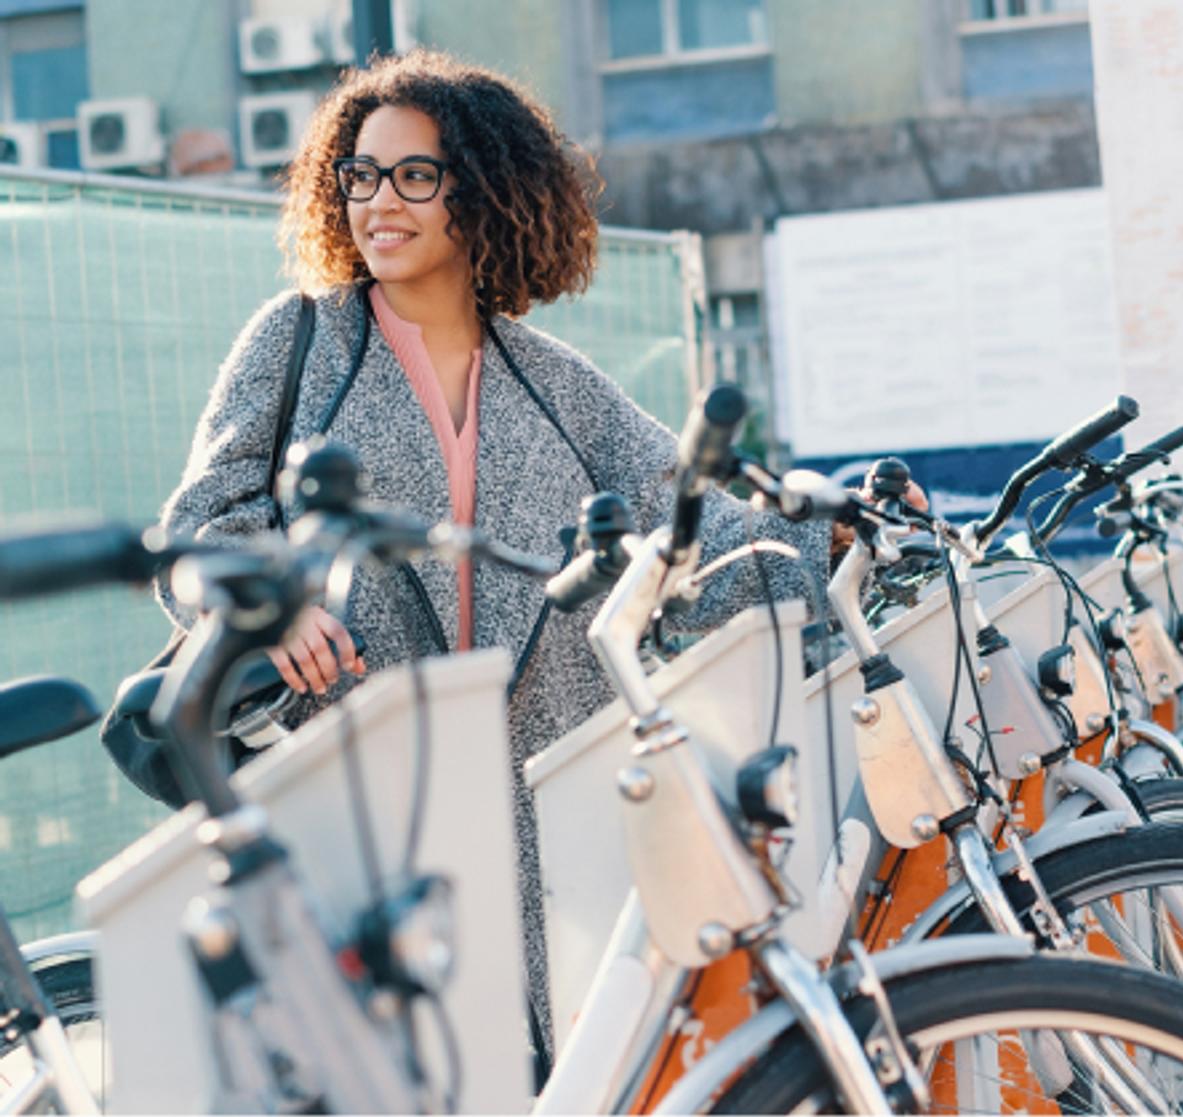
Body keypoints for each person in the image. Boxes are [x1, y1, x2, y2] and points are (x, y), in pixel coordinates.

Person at [154, 49, 826, 1057]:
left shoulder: (557, 380)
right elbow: (200, 526)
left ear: (484, 191)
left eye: (414, 175)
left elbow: (696, 530)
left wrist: (833, 530)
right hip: (362, 780)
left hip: (544, 794)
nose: (379, 201)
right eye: (361, 174)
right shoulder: (297, 341)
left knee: (559, 1057)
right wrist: (277, 604)